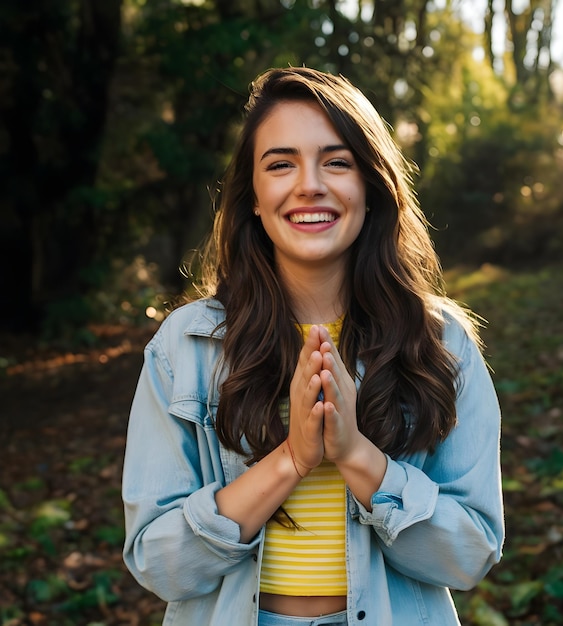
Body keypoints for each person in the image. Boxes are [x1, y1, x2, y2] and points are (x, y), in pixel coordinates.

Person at [122, 66, 504, 626]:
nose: (310, 185)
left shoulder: (441, 342)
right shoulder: (186, 346)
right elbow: (159, 562)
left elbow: (470, 553)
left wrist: (356, 457)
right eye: (280, 164)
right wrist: (292, 460)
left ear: (371, 188)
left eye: (336, 161)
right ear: (253, 196)